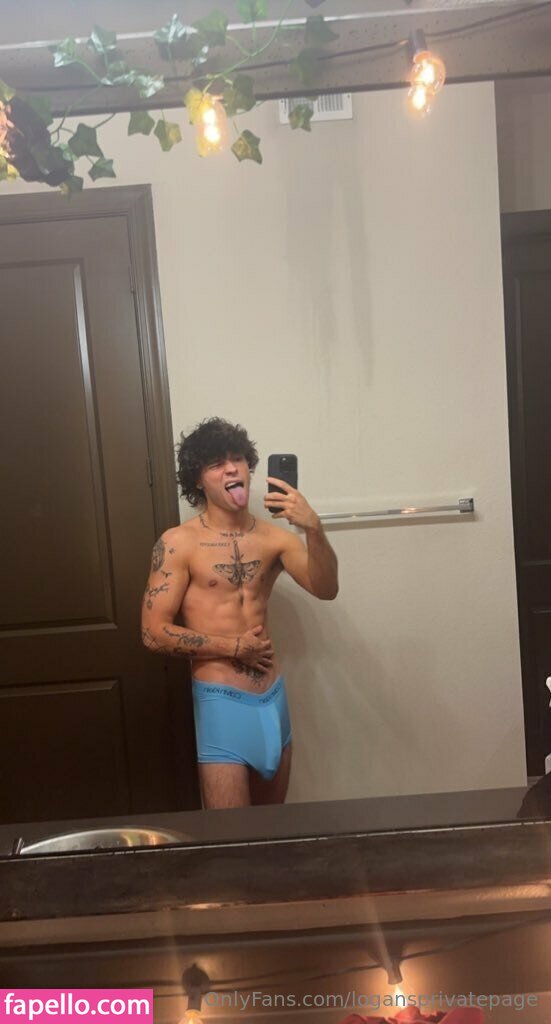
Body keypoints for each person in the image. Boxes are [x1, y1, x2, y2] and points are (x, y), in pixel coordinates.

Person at [141, 417, 338, 810]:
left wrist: (314, 529)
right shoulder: (178, 543)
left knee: (272, 829)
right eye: (216, 464)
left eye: (238, 459)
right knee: (232, 837)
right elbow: (152, 633)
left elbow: (326, 588)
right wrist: (233, 647)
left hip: (274, 701)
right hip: (221, 705)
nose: (231, 469)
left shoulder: (275, 539)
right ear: (198, 480)